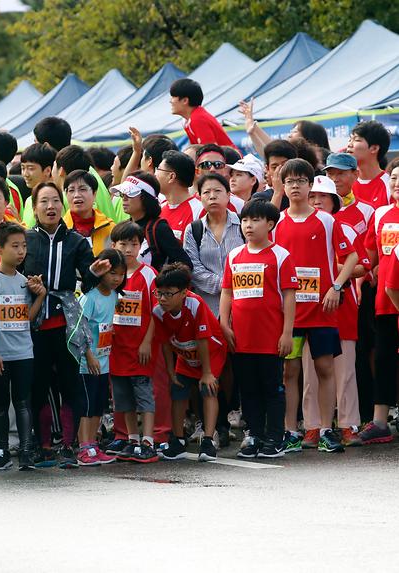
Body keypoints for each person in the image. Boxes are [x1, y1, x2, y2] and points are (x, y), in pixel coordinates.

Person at [272, 160, 357, 453]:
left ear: (311, 186)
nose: (295, 186)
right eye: (290, 181)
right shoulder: (277, 223)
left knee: (324, 368)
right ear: (283, 187)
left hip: (322, 311)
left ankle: (325, 429)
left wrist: (336, 287)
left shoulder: (326, 220)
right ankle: (290, 431)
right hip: (290, 313)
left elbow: (351, 257)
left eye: (300, 181)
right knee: (290, 372)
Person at [23, 182, 109, 468]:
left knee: (70, 384)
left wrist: (94, 272)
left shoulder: (77, 241)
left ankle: (69, 445)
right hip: (34, 324)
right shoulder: (25, 240)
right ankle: (44, 445)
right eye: (43, 201)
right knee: (39, 386)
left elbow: (88, 280)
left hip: (66, 323)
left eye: (55, 201)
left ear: (62, 206)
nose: (50, 206)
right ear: (34, 208)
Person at [220, 200, 296, 458]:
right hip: (242, 338)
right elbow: (227, 292)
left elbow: (288, 297)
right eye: (244, 221)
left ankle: (275, 437)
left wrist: (287, 333)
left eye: (255, 220)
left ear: (270, 224)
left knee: (272, 388)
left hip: (270, 338)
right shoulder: (234, 256)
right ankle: (254, 434)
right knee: (248, 388)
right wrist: (223, 323)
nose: (248, 226)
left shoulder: (280, 256)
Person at [305, 176, 366, 447]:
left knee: (344, 370)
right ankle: (313, 427)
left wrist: (335, 278)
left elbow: (362, 264)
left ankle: (348, 425)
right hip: (308, 309)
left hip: (342, 306)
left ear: (334, 202)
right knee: (309, 371)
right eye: (313, 196)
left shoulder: (343, 228)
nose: (317, 201)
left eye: (323, 197)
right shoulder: (295, 225)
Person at [0, 222, 46, 471]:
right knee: (0, 403)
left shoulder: (25, 281)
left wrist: (40, 295)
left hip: (23, 352)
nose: (21, 251)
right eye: (15, 246)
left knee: (22, 401)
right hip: (0, 353)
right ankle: (1, 450)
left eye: (24, 246)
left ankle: (26, 451)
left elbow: (26, 319)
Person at [153, 263, 227, 462]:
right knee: (178, 391)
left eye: (168, 294)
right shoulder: (158, 311)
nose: (162, 298)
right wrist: (170, 371)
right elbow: (166, 343)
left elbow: (203, 339)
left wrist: (207, 372)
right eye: (159, 293)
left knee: (208, 389)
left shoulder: (195, 304)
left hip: (209, 353)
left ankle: (209, 440)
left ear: (184, 292)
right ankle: (178, 441)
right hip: (184, 354)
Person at [108, 222, 162, 463]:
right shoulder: (109, 277)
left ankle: (148, 441)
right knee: (123, 398)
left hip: (140, 349)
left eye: (134, 244)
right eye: (123, 244)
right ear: (113, 246)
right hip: (116, 349)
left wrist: (147, 342)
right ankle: (132, 439)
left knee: (144, 396)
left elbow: (156, 311)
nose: (129, 249)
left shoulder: (149, 274)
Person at [74, 248, 125, 466]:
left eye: (121, 274)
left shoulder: (114, 296)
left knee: (97, 405)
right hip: (88, 363)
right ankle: (83, 447)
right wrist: (89, 355)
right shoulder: (89, 298)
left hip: (104, 360)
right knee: (86, 406)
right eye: (112, 272)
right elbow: (79, 328)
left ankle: (93, 444)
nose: (116, 278)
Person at [361, 157, 399, 444]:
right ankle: (379, 422)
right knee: (385, 359)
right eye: (394, 178)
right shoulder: (381, 214)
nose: (397, 184)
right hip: (386, 304)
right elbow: (370, 257)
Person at [183, 173, 244, 316]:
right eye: (206, 192)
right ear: (199, 197)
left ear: (228, 195)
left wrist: (232, 286)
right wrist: (224, 285)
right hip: (207, 308)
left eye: (217, 191)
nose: (212, 196)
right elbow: (193, 268)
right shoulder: (193, 230)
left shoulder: (243, 224)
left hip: (241, 303)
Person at [119, 172, 192, 271]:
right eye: (122, 193)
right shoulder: (124, 226)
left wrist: (159, 281)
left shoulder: (159, 228)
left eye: (130, 193)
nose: (124, 198)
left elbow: (185, 264)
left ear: (146, 198)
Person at [169, 78, 235, 148]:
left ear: (185, 100)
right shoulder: (191, 119)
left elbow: (210, 152)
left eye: (173, 97)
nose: (170, 101)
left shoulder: (198, 119)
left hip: (229, 158)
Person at [63, 170, 114, 255]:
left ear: (94, 194)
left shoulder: (110, 228)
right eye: (71, 190)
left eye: (82, 189)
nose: (76, 195)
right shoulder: (59, 228)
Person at [157, 150, 201, 242]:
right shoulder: (158, 209)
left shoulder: (199, 210)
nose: (155, 174)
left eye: (159, 169)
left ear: (171, 176)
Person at [347, 120, 392, 208]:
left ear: (374, 148)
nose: (349, 144)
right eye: (350, 139)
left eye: (357, 140)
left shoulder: (390, 185)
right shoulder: (345, 183)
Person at [252, 139, 297, 210]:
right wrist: (278, 193)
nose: (280, 171)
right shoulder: (260, 198)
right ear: (267, 169)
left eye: (284, 165)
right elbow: (269, 220)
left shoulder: (305, 193)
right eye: (274, 167)